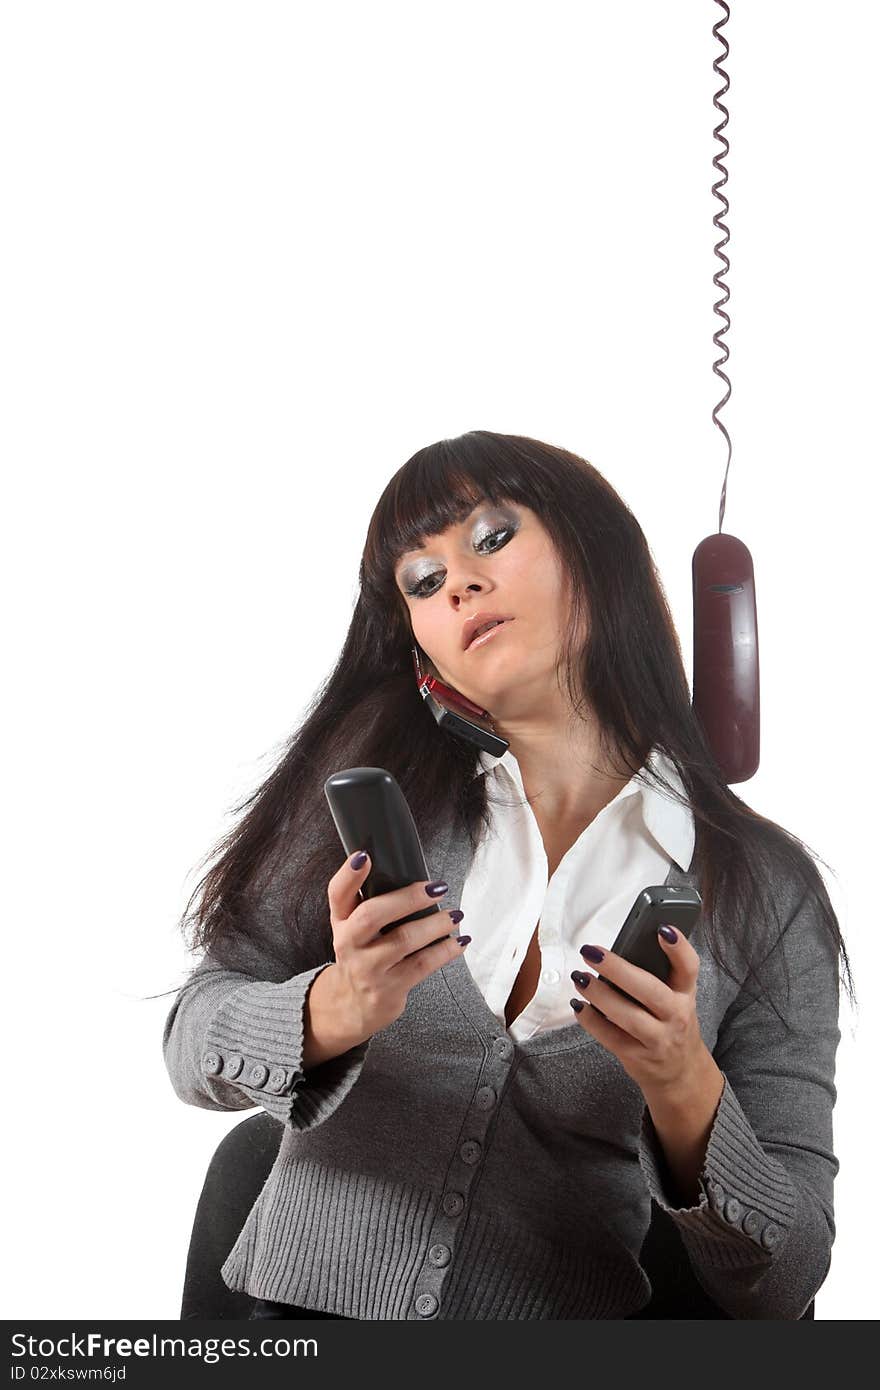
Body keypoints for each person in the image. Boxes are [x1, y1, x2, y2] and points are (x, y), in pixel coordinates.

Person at [161, 430, 854, 1320]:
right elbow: (190, 1041)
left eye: (491, 538)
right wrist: (330, 1009)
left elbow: (788, 1278)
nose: (458, 584)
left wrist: (685, 1089)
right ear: (424, 651)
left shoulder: (765, 892)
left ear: (595, 554)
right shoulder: (373, 802)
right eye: (421, 581)